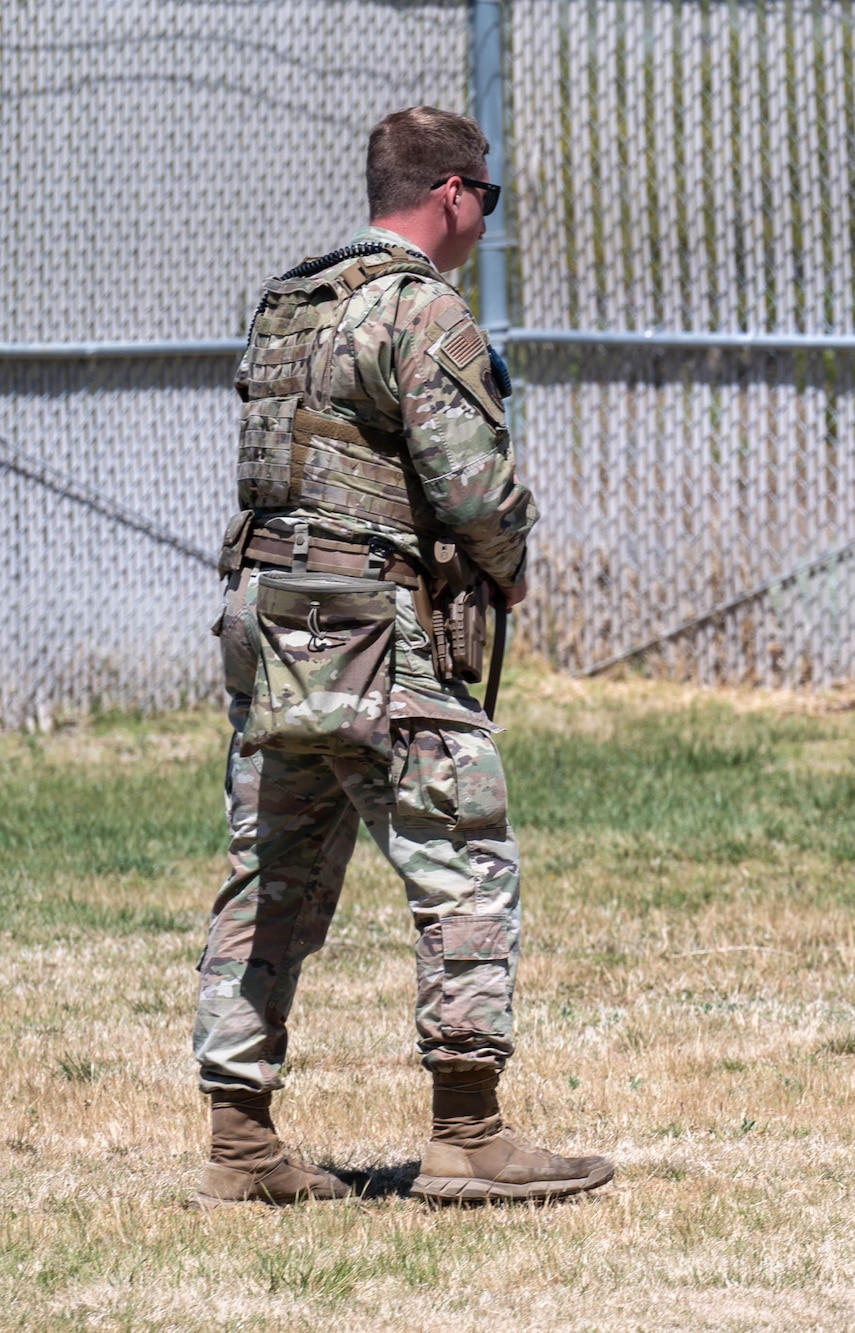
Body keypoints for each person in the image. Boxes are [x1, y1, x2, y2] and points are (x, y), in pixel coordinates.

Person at [192, 106, 613, 1205]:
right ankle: (468, 1134)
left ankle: (240, 1144)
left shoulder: (293, 300)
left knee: (269, 872)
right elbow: (473, 488)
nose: (487, 219)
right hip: (370, 630)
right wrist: (509, 561)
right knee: (464, 854)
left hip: (268, 611)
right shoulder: (422, 311)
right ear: (453, 195)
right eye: (490, 199)